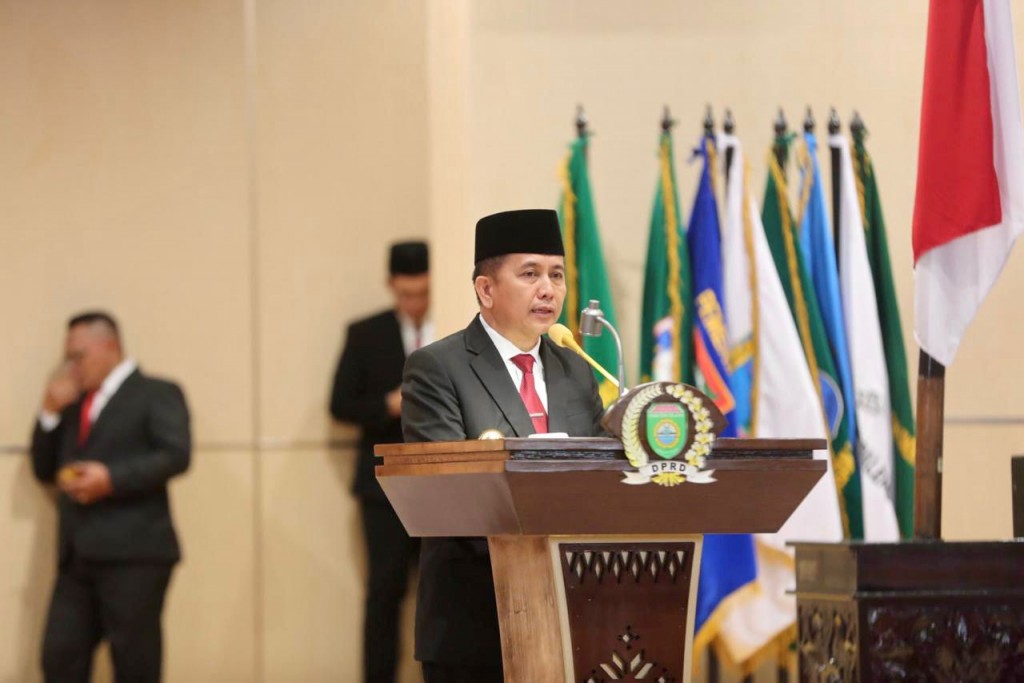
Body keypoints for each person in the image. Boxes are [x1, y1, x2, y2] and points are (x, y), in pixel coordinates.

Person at [401, 209, 605, 683]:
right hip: (476, 622)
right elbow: (449, 494)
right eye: (530, 274)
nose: (548, 289)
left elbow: (599, 478)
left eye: (557, 275)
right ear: (486, 289)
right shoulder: (438, 368)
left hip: (574, 616)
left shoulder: (576, 370)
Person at [30, 311, 191, 683]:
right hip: (77, 558)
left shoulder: (156, 392)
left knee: (134, 665)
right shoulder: (73, 403)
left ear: (110, 347)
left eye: (79, 356)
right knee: (59, 658)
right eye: (68, 358)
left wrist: (111, 479)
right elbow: (44, 469)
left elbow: (176, 455)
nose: (72, 367)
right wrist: (49, 414)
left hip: (135, 554)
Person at [330, 241, 431, 683]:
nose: (415, 302)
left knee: (443, 594)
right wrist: (388, 405)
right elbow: (340, 403)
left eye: (423, 292)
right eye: (407, 294)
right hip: (383, 488)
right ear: (391, 286)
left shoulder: (455, 328)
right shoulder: (365, 333)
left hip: (442, 485)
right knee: (383, 594)